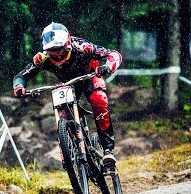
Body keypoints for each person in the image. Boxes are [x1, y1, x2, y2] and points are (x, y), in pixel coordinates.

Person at [12, 22, 122, 170]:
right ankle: (69, 149)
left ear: (68, 44)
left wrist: (108, 66)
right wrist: (19, 86)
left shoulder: (83, 47)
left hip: (90, 76)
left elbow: (114, 54)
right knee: (62, 112)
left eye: (60, 50)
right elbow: (21, 76)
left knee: (99, 100)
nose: (57, 55)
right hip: (68, 84)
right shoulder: (42, 58)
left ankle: (108, 150)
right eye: (52, 51)